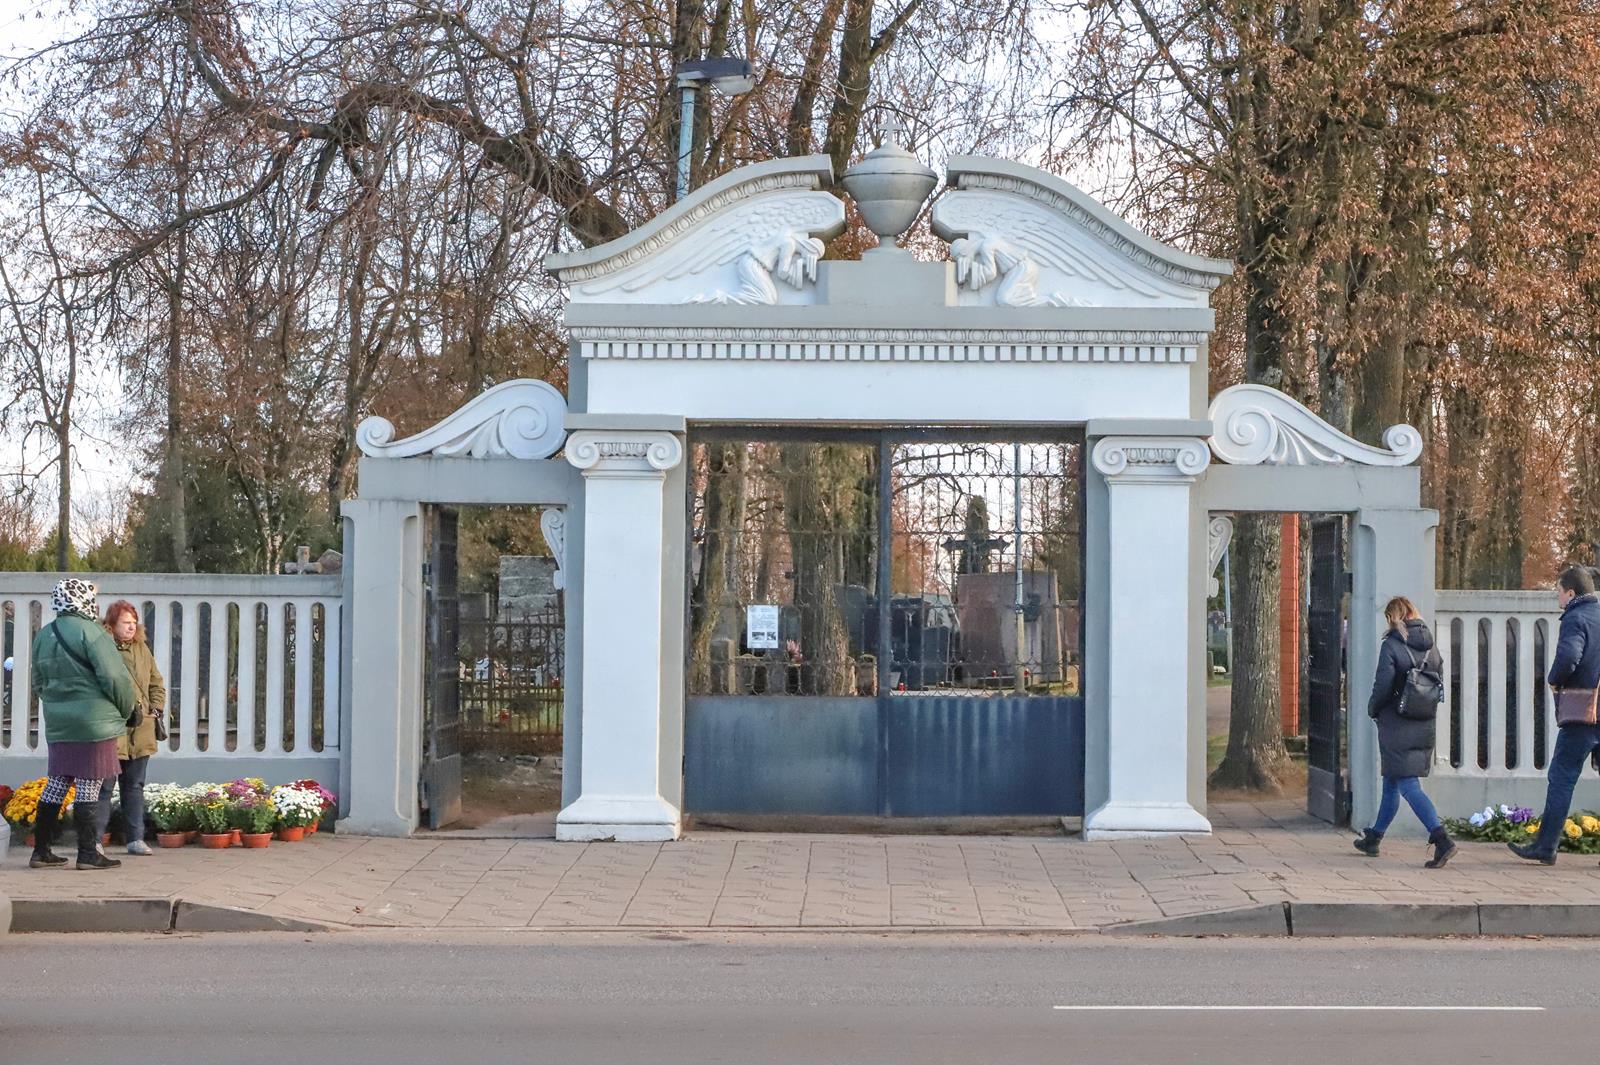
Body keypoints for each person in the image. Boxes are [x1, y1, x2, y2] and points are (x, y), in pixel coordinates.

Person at [28, 579, 137, 870]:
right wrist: (128, 709)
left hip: (60, 724)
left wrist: (58, 705)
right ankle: (88, 853)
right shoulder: (93, 632)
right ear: (84, 600)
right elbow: (114, 678)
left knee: (56, 783)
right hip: (94, 723)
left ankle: (41, 851)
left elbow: (38, 682)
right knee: (89, 784)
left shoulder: (45, 634)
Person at [1352, 595, 1455, 868]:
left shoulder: (1392, 645)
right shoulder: (1431, 647)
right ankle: (1374, 837)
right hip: (1424, 720)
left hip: (1397, 722)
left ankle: (1441, 838)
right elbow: (1439, 681)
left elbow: (1382, 684)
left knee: (1408, 784)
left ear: (1393, 617)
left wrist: (1373, 708)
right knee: (1392, 781)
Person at [1510, 565, 1600, 865]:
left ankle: (1546, 846)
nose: (1557, 597)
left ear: (1571, 593)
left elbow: (1569, 657)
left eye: (1558, 591)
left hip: (1582, 713)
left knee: (1562, 777)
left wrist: (1554, 679)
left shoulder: (1575, 618)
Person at [95, 600, 166, 857]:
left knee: (135, 785)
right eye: (126, 622)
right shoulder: (100, 648)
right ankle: (94, 841)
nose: (131, 627)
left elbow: (156, 682)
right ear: (111, 624)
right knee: (103, 787)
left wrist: (156, 708)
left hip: (141, 727)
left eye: (134, 622)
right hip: (112, 728)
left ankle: (136, 839)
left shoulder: (141, 647)